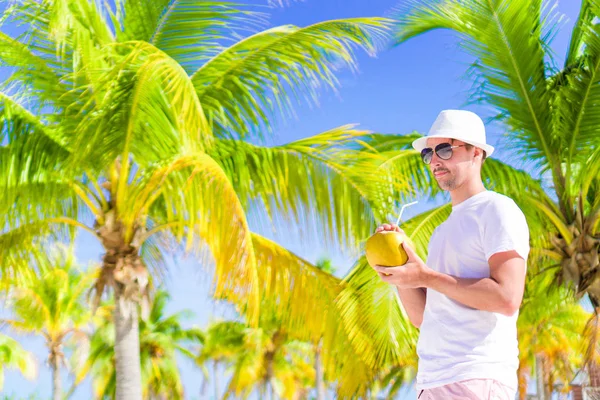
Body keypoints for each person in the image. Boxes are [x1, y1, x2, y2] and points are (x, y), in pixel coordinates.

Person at [373, 109, 529, 400]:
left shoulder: (497, 209)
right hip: (432, 381)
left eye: (445, 149)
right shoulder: (441, 232)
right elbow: (423, 317)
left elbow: (507, 298)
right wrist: (401, 269)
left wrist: (426, 277)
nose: (434, 160)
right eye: (428, 153)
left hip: (477, 377)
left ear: (476, 153)